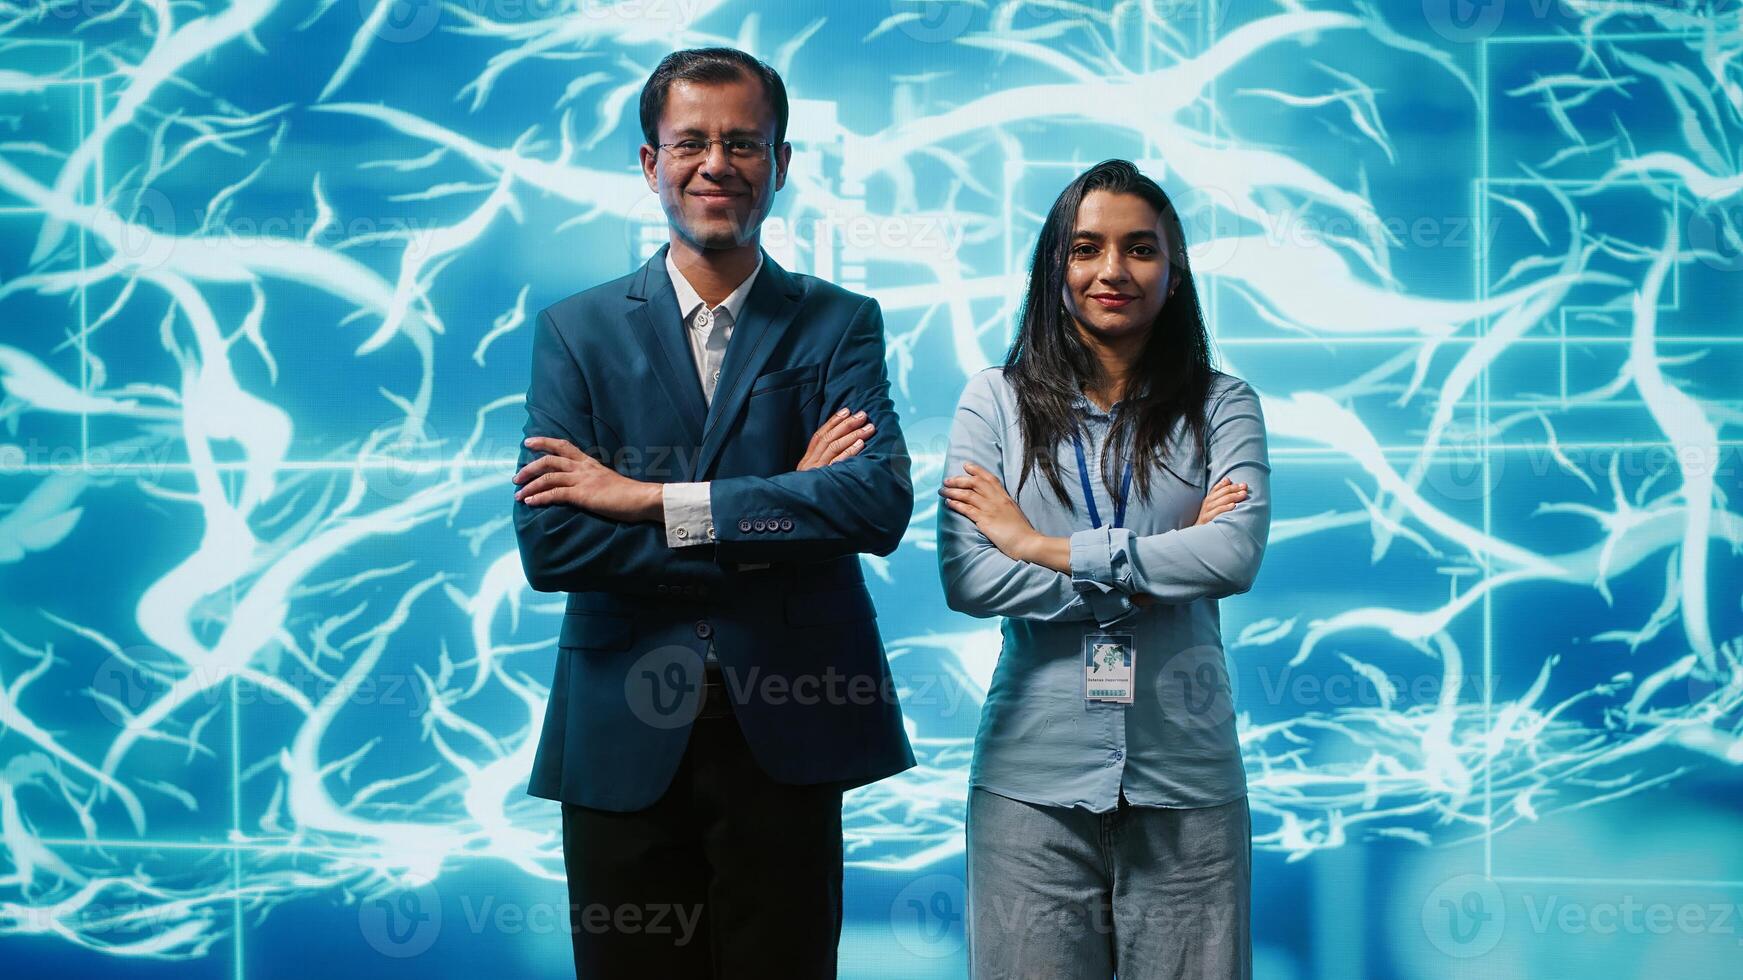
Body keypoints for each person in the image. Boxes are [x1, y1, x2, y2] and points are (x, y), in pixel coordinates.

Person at [511, 46, 916, 979]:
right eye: (690, 142)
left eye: (743, 142)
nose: (716, 164)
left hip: (789, 722)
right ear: (650, 164)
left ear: (780, 162)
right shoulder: (576, 331)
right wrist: (780, 516)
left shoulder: (838, 322)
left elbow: (873, 503)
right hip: (620, 728)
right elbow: (554, 537)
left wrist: (645, 501)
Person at [936, 158, 1271, 979]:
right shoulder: (996, 402)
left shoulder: (1222, 405)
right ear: (1055, 267)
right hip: (1031, 785)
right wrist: (1159, 561)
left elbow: (1231, 555)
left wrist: (1041, 545)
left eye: (1140, 249)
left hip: (1187, 782)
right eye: (1086, 248)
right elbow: (970, 579)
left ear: (1175, 268)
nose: (1111, 271)